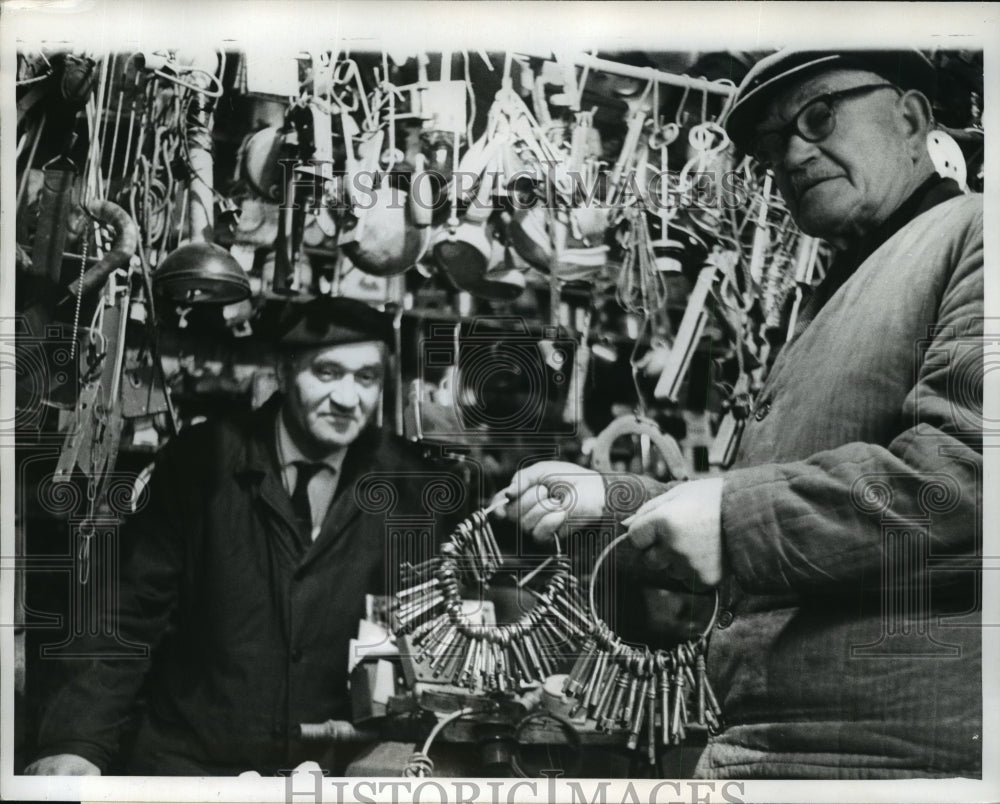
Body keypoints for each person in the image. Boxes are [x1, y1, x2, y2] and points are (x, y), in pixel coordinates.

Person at [497, 48, 982, 779]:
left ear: (911, 118)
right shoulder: (839, 287)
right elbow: (787, 503)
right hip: (775, 746)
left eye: (820, 115)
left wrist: (729, 521)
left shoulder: (978, 235)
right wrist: (615, 500)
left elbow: (965, 481)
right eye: (768, 145)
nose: (792, 151)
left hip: (885, 756)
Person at [26, 296, 462, 776]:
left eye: (366, 378)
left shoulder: (411, 486)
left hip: (331, 769)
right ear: (284, 369)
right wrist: (77, 742)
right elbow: (124, 614)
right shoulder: (201, 461)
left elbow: (452, 618)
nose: (347, 398)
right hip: (191, 763)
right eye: (327, 372)